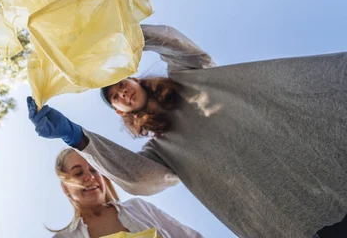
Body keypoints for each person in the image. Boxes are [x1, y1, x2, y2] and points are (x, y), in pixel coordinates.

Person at [27, 24, 347, 238]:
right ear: (121, 112)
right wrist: (78, 137)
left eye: (122, 84)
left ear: (135, 78)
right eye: (114, 97)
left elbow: (176, 44)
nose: (121, 93)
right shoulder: (163, 150)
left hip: (319, 154)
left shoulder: (190, 77)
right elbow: (141, 178)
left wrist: (124, 32)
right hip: (294, 210)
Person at [50, 148, 203, 238]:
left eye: (93, 170)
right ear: (65, 187)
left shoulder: (138, 207)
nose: (89, 177)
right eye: (78, 173)